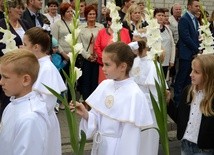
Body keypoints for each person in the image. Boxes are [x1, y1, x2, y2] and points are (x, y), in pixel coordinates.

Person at [70, 42, 153, 155]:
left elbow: (130, 140)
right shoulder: (105, 85)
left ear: (123, 66)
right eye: (103, 64)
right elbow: (98, 118)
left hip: (117, 148)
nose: (103, 69)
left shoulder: (134, 94)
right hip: (100, 146)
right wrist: (86, 114)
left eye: (107, 65)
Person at [22, 27, 67, 155]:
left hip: (42, 119)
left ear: (36, 47)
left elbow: (47, 102)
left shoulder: (47, 69)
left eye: (25, 45)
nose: (22, 47)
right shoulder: (36, 64)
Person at [0, 49, 50, 155]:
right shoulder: (11, 105)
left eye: (5, 77)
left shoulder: (30, 119)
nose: (1, 82)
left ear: (26, 80)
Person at [167, 54, 214, 154]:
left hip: (205, 150)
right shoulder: (188, 91)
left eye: (196, 72)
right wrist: (168, 102)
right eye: (192, 70)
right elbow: (179, 118)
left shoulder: (211, 98)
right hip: (186, 145)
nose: (191, 74)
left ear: (208, 75)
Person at [0, 0, 31, 119]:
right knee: (7, 98)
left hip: (24, 67)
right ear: (9, 10)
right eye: (17, 8)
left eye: (21, 8)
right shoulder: (2, 25)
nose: (21, 11)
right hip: (8, 67)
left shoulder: (25, 24)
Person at [129, 40, 160, 155]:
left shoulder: (152, 64)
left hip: (148, 107)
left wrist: (143, 102)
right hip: (134, 104)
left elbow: (154, 92)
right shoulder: (135, 61)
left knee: (147, 137)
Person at [173, 0, 200, 106]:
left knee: (189, 79)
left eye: (199, 6)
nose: (198, 8)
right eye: (196, 6)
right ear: (189, 6)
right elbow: (186, 37)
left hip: (193, 54)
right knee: (181, 78)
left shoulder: (195, 20)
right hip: (186, 54)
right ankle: (177, 101)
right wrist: (197, 49)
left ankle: (186, 99)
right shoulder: (184, 19)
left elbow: (196, 36)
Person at [94, 12, 131, 83]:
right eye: (114, 21)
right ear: (109, 22)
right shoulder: (102, 32)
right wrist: (106, 58)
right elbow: (97, 47)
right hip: (105, 66)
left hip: (120, 67)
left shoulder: (125, 31)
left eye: (118, 21)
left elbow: (128, 47)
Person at [77, 5, 103, 101]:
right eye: (90, 14)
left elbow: (102, 42)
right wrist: (87, 56)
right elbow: (79, 45)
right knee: (86, 81)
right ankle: (86, 101)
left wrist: (98, 55)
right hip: (86, 59)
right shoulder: (81, 28)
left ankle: (94, 101)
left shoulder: (101, 27)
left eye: (94, 14)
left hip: (98, 58)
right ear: (86, 15)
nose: (92, 16)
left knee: (95, 81)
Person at [154, 8, 175, 77]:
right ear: (154, 17)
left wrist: (172, 60)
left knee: (163, 82)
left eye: (163, 15)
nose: (161, 17)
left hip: (165, 61)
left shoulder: (167, 29)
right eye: (159, 15)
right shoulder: (151, 29)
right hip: (154, 61)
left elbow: (172, 45)